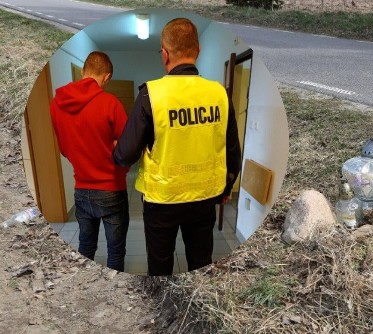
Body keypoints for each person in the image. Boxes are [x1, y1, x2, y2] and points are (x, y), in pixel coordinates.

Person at [113, 18, 242, 276]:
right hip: (205, 198)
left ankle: (162, 310)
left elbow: (125, 155)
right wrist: (225, 189)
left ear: (164, 53)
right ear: (198, 50)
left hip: (162, 201)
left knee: (160, 265)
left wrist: (119, 148)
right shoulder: (220, 94)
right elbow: (232, 153)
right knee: (200, 261)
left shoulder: (151, 94)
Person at [50, 51, 130, 272]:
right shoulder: (111, 103)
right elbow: (127, 151)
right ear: (107, 77)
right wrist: (114, 156)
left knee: (85, 246)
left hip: (81, 188)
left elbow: (65, 149)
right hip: (111, 189)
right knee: (115, 250)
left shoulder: (57, 104)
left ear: (84, 71)